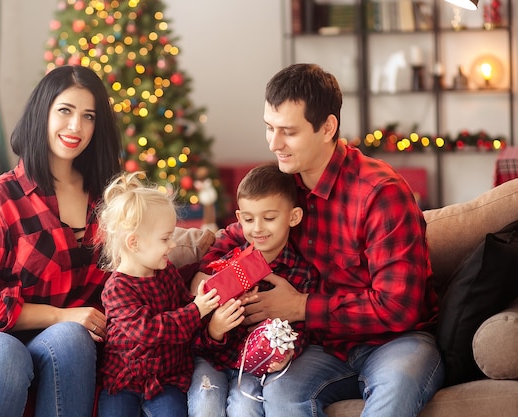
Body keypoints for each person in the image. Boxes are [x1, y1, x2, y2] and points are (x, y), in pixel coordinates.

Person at [196, 63, 444, 417]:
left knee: (395, 389)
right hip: (324, 346)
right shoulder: (284, 190)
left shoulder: (380, 193)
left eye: (288, 132)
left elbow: (397, 308)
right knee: (280, 393)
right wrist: (202, 278)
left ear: (327, 127)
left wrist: (299, 306)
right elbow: (233, 238)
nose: (273, 143)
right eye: (269, 128)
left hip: (395, 342)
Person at [0, 65, 123, 417]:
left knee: (72, 338)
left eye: (88, 116)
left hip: (52, 338)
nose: (75, 127)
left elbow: (141, 264)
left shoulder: (109, 199)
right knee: (9, 356)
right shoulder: (1, 195)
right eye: (65, 111)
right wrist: (60, 314)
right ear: (43, 114)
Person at [188, 162, 314, 417]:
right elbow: (193, 326)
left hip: (253, 369)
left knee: (246, 408)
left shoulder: (301, 273)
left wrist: (289, 352)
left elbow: (304, 330)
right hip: (212, 358)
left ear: (294, 217)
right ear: (238, 219)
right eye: (248, 219)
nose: (257, 228)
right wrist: (215, 330)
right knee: (206, 403)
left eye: (268, 218)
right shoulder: (226, 264)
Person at [95, 171, 223, 417]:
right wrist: (196, 310)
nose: (173, 245)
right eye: (166, 238)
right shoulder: (117, 288)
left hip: (167, 379)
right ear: (134, 243)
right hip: (123, 381)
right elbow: (147, 331)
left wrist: (206, 305)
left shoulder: (167, 272)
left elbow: (186, 308)